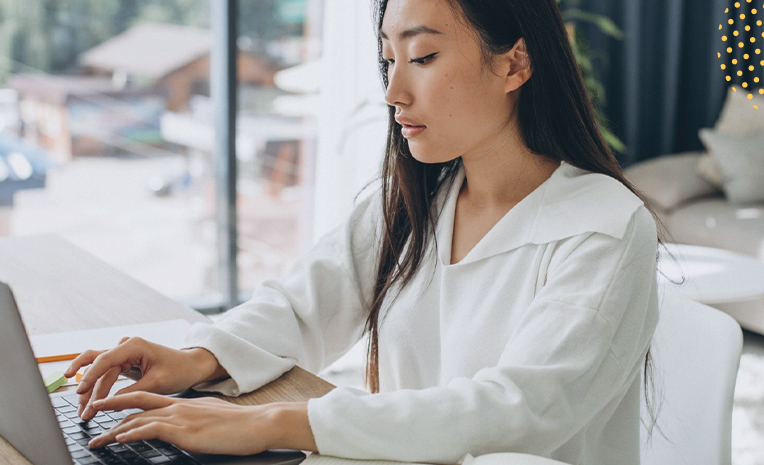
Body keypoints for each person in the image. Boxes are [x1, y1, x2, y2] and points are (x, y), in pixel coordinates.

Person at [66, 0, 661, 463]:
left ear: (515, 64)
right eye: (388, 59)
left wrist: (273, 422)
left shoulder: (602, 228)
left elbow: (518, 409)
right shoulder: (419, 199)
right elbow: (305, 306)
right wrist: (200, 356)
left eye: (423, 57)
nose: (393, 92)